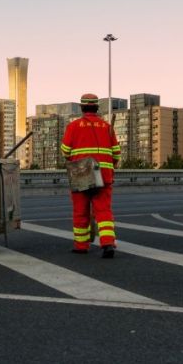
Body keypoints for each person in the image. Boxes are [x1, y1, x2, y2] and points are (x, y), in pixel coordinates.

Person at [61, 93, 121, 258]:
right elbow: (116, 153)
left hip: (81, 173)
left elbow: (65, 151)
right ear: (96, 108)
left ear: (82, 107)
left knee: (80, 212)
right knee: (104, 212)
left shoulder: (73, 126)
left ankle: (81, 246)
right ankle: (108, 243)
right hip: (104, 175)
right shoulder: (107, 127)